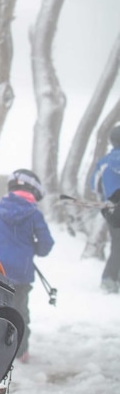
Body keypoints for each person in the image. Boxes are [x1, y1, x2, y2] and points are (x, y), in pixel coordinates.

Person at [0, 169, 54, 363]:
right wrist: (33, 248)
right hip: (21, 273)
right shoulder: (33, 214)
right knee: (20, 311)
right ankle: (20, 350)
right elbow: (46, 244)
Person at [90, 124, 120, 293]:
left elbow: (94, 185)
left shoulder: (105, 162)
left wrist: (103, 197)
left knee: (117, 244)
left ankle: (110, 278)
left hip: (112, 209)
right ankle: (111, 278)